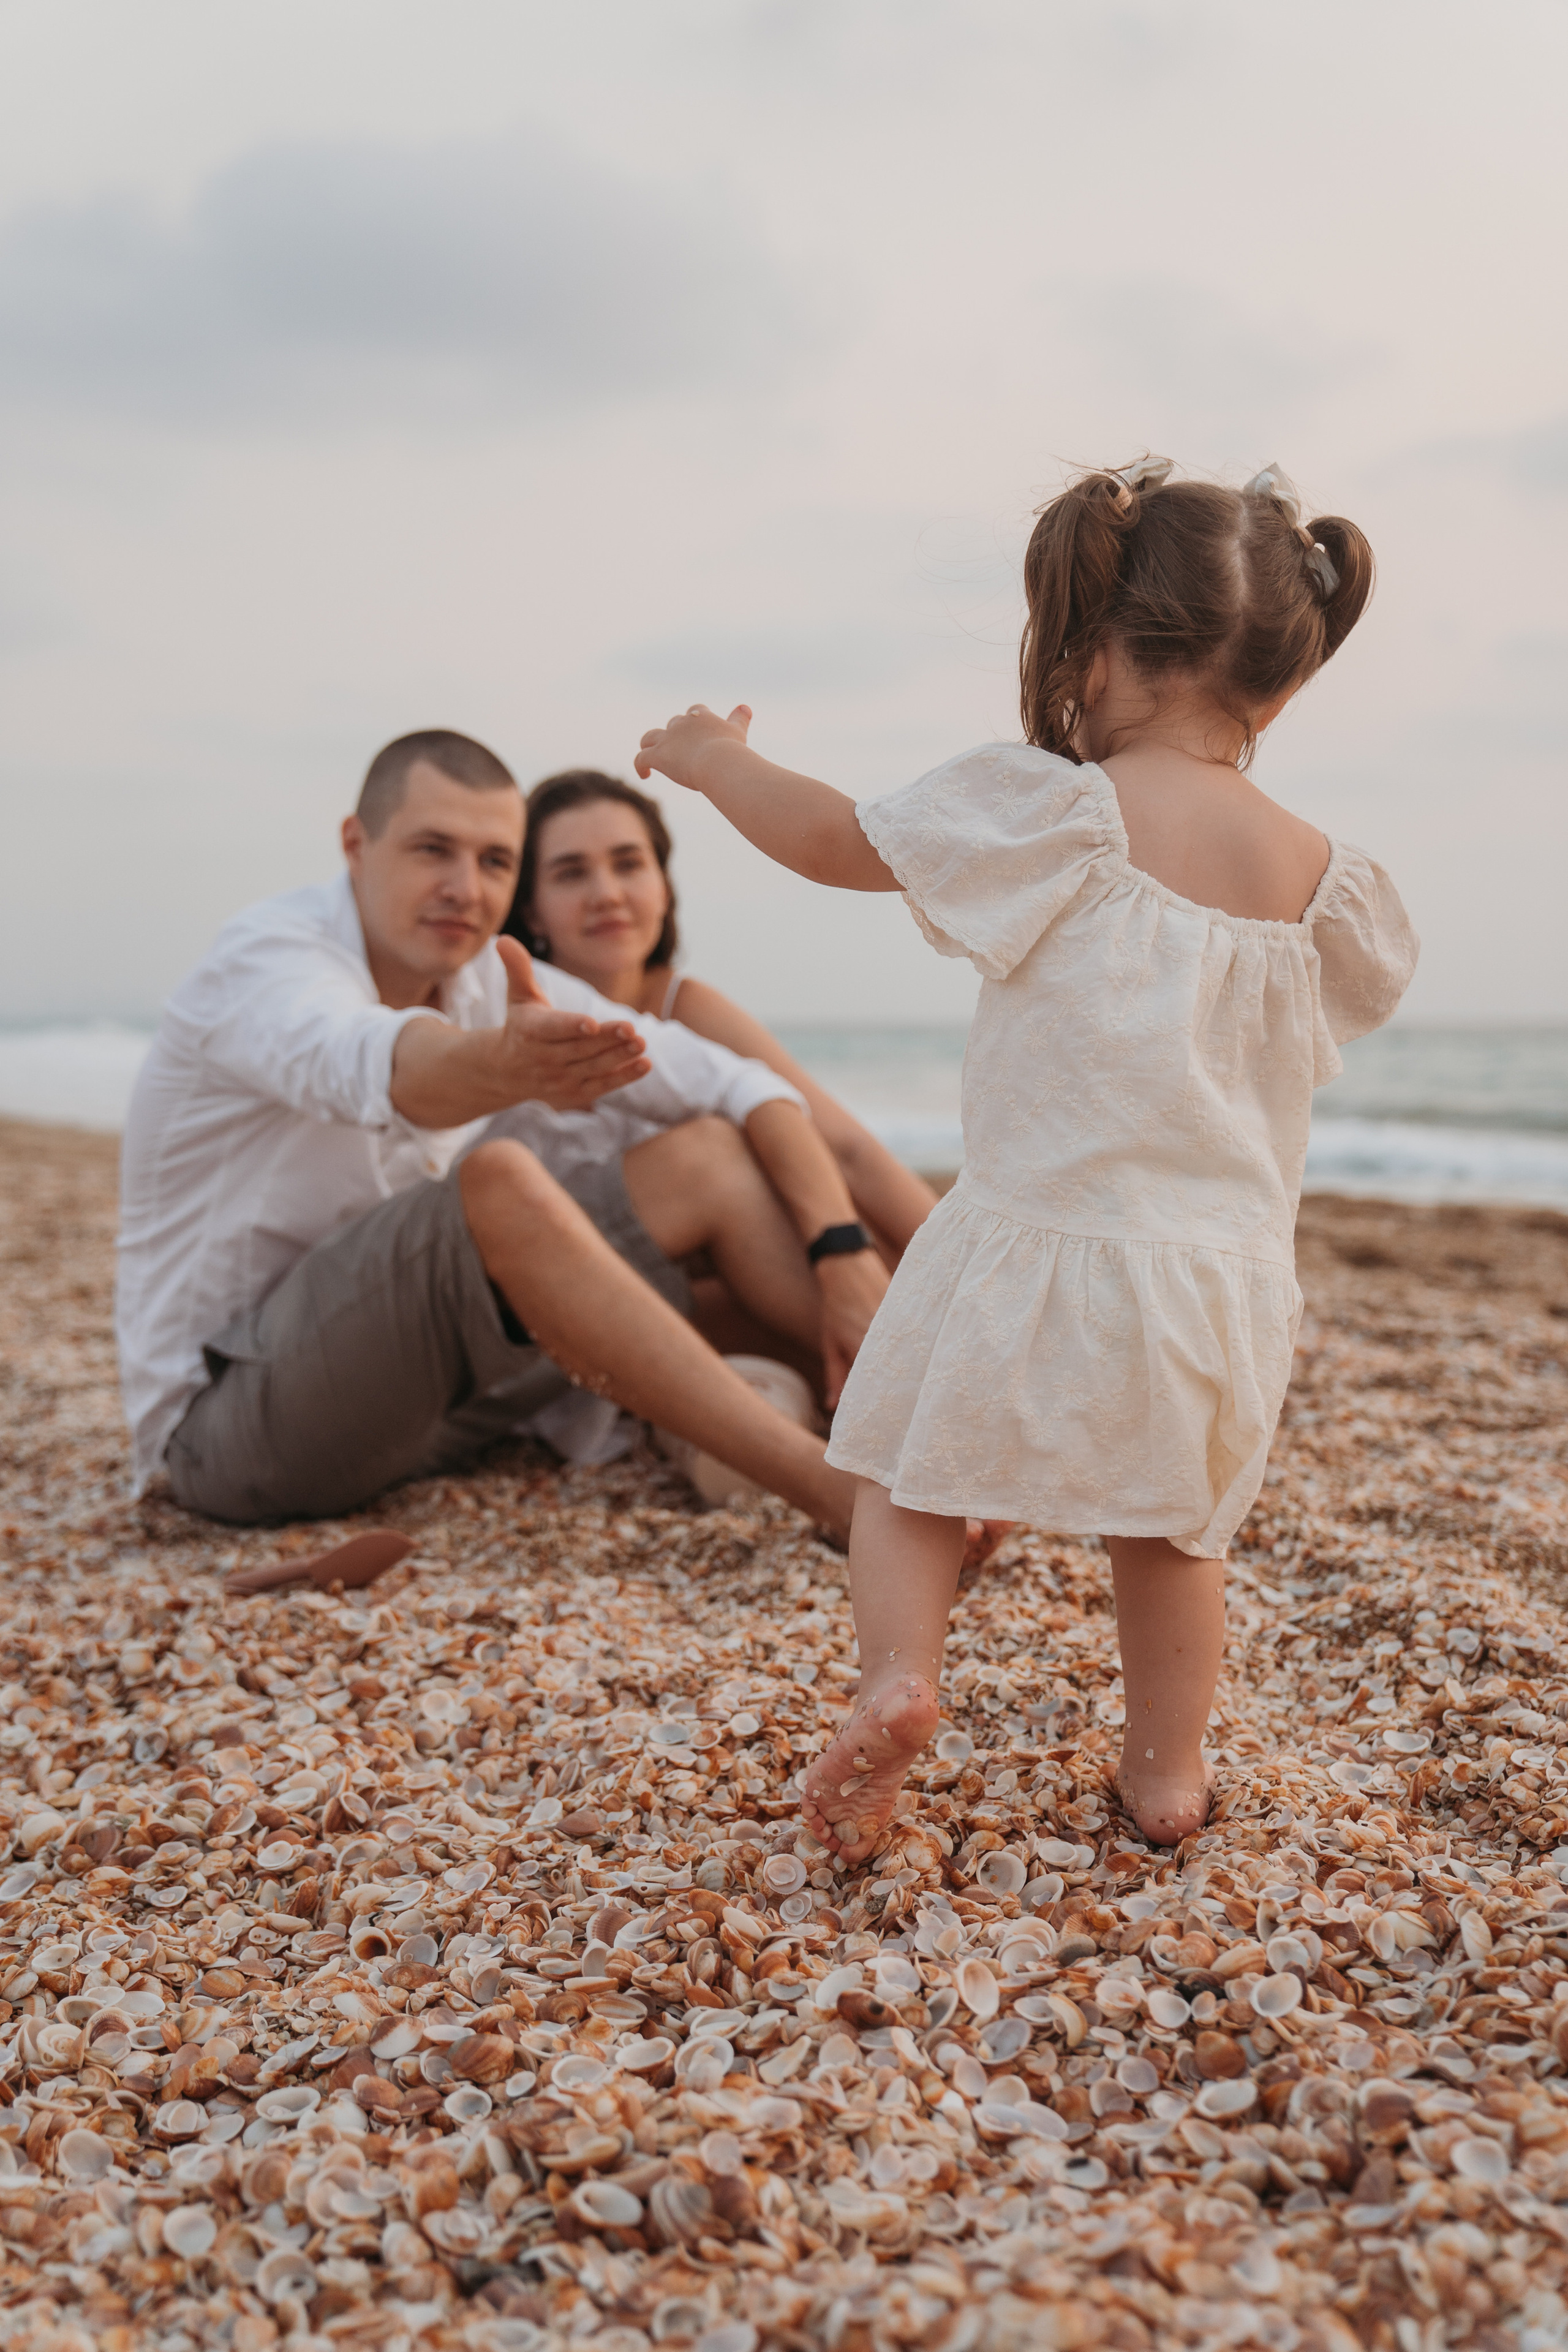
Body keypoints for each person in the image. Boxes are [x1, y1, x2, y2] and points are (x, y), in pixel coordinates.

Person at [635, 458, 1419, 1849]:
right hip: (1216, 1278)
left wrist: (711, 759)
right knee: (1174, 1533)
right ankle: (1165, 1771)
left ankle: (898, 1680)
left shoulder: (1061, 810)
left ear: (1095, 650)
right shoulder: (1326, 879)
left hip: (1026, 1231)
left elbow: (831, 839)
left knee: (904, 1469)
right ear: (1276, 682)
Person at [116, 728, 890, 1536]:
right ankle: (843, 1499)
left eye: (493, 862)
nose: (465, 887)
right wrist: (501, 1066)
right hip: (232, 1435)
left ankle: (933, 1430)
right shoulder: (269, 960)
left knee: (706, 1158)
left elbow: (745, 1085)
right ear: (357, 843)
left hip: (438, 1416)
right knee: (501, 1181)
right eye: (433, 850)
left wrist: (842, 1253)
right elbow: (377, 1063)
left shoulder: (486, 974)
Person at [502, 768, 940, 1266]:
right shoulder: (503, 1010)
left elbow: (847, 1151)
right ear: (531, 910)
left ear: (663, 889)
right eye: (571, 872)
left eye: (628, 864)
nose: (606, 893)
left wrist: (969, 1282)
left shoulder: (685, 1008)